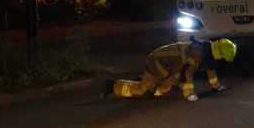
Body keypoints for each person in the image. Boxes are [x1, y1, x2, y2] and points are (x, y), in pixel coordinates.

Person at [100, 38, 236, 102]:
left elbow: (210, 70)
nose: (222, 63)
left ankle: (146, 82)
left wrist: (217, 87)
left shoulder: (208, 52)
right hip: (158, 62)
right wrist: (189, 93)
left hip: (170, 67)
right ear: (219, 55)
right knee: (144, 92)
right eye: (223, 59)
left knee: (171, 91)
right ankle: (112, 86)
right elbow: (187, 72)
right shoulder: (197, 54)